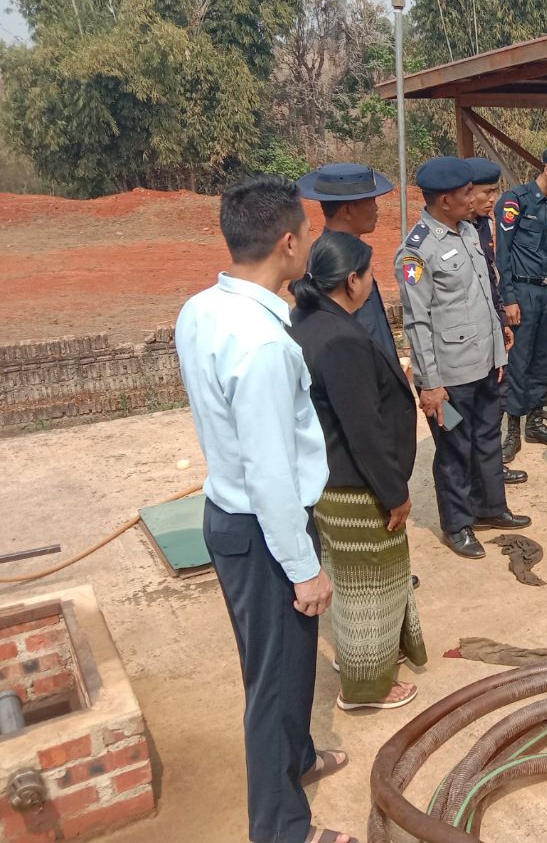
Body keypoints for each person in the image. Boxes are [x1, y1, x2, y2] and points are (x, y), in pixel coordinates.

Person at [175, 175, 356, 843]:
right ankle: (281, 828)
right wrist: (304, 569)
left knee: (285, 663)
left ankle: (296, 758)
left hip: (231, 517)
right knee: (274, 679)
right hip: (263, 528)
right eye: (306, 233)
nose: (309, 242)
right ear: (287, 243)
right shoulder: (265, 347)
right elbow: (271, 472)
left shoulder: (202, 309)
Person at [288, 231, 427, 712]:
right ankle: (366, 687)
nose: (372, 283)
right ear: (352, 280)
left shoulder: (307, 323)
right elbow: (364, 430)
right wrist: (395, 493)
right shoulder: (341, 340)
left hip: (330, 480)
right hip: (357, 485)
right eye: (369, 275)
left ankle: (360, 656)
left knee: (351, 581)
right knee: (373, 585)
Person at [396, 157, 531, 560]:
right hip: (450, 377)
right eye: (466, 193)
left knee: (487, 437)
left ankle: (490, 507)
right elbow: (417, 322)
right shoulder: (416, 252)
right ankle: (457, 524)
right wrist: (430, 384)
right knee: (455, 448)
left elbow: (484, 293)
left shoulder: (469, 231)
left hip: (486, 365)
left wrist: (498, 345)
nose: (474, 198)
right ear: (444, 200)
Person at [496, 147, 547, 461]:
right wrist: (509, 298)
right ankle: (513, 430)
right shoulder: (515, 201)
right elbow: (502, 254)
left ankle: (535, 422)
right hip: (522, 292)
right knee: (519, 362)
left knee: (543, 360)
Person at [464, 156, 527, 486]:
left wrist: (501, 319)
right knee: (467, 413)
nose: (493, 199)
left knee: (494, 403)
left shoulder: (482, 227)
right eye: (487, 192)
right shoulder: (453, 233)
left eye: (495, 191)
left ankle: (490, 470)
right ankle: (472, 473)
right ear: (466, 192)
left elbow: (491, 278)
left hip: (490, 332)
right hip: (464, 341)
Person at [297, 162, 397, 360]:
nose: (376, 208)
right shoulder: (334, 262)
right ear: (348, 211)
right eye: (371, 201)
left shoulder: (348, 254)